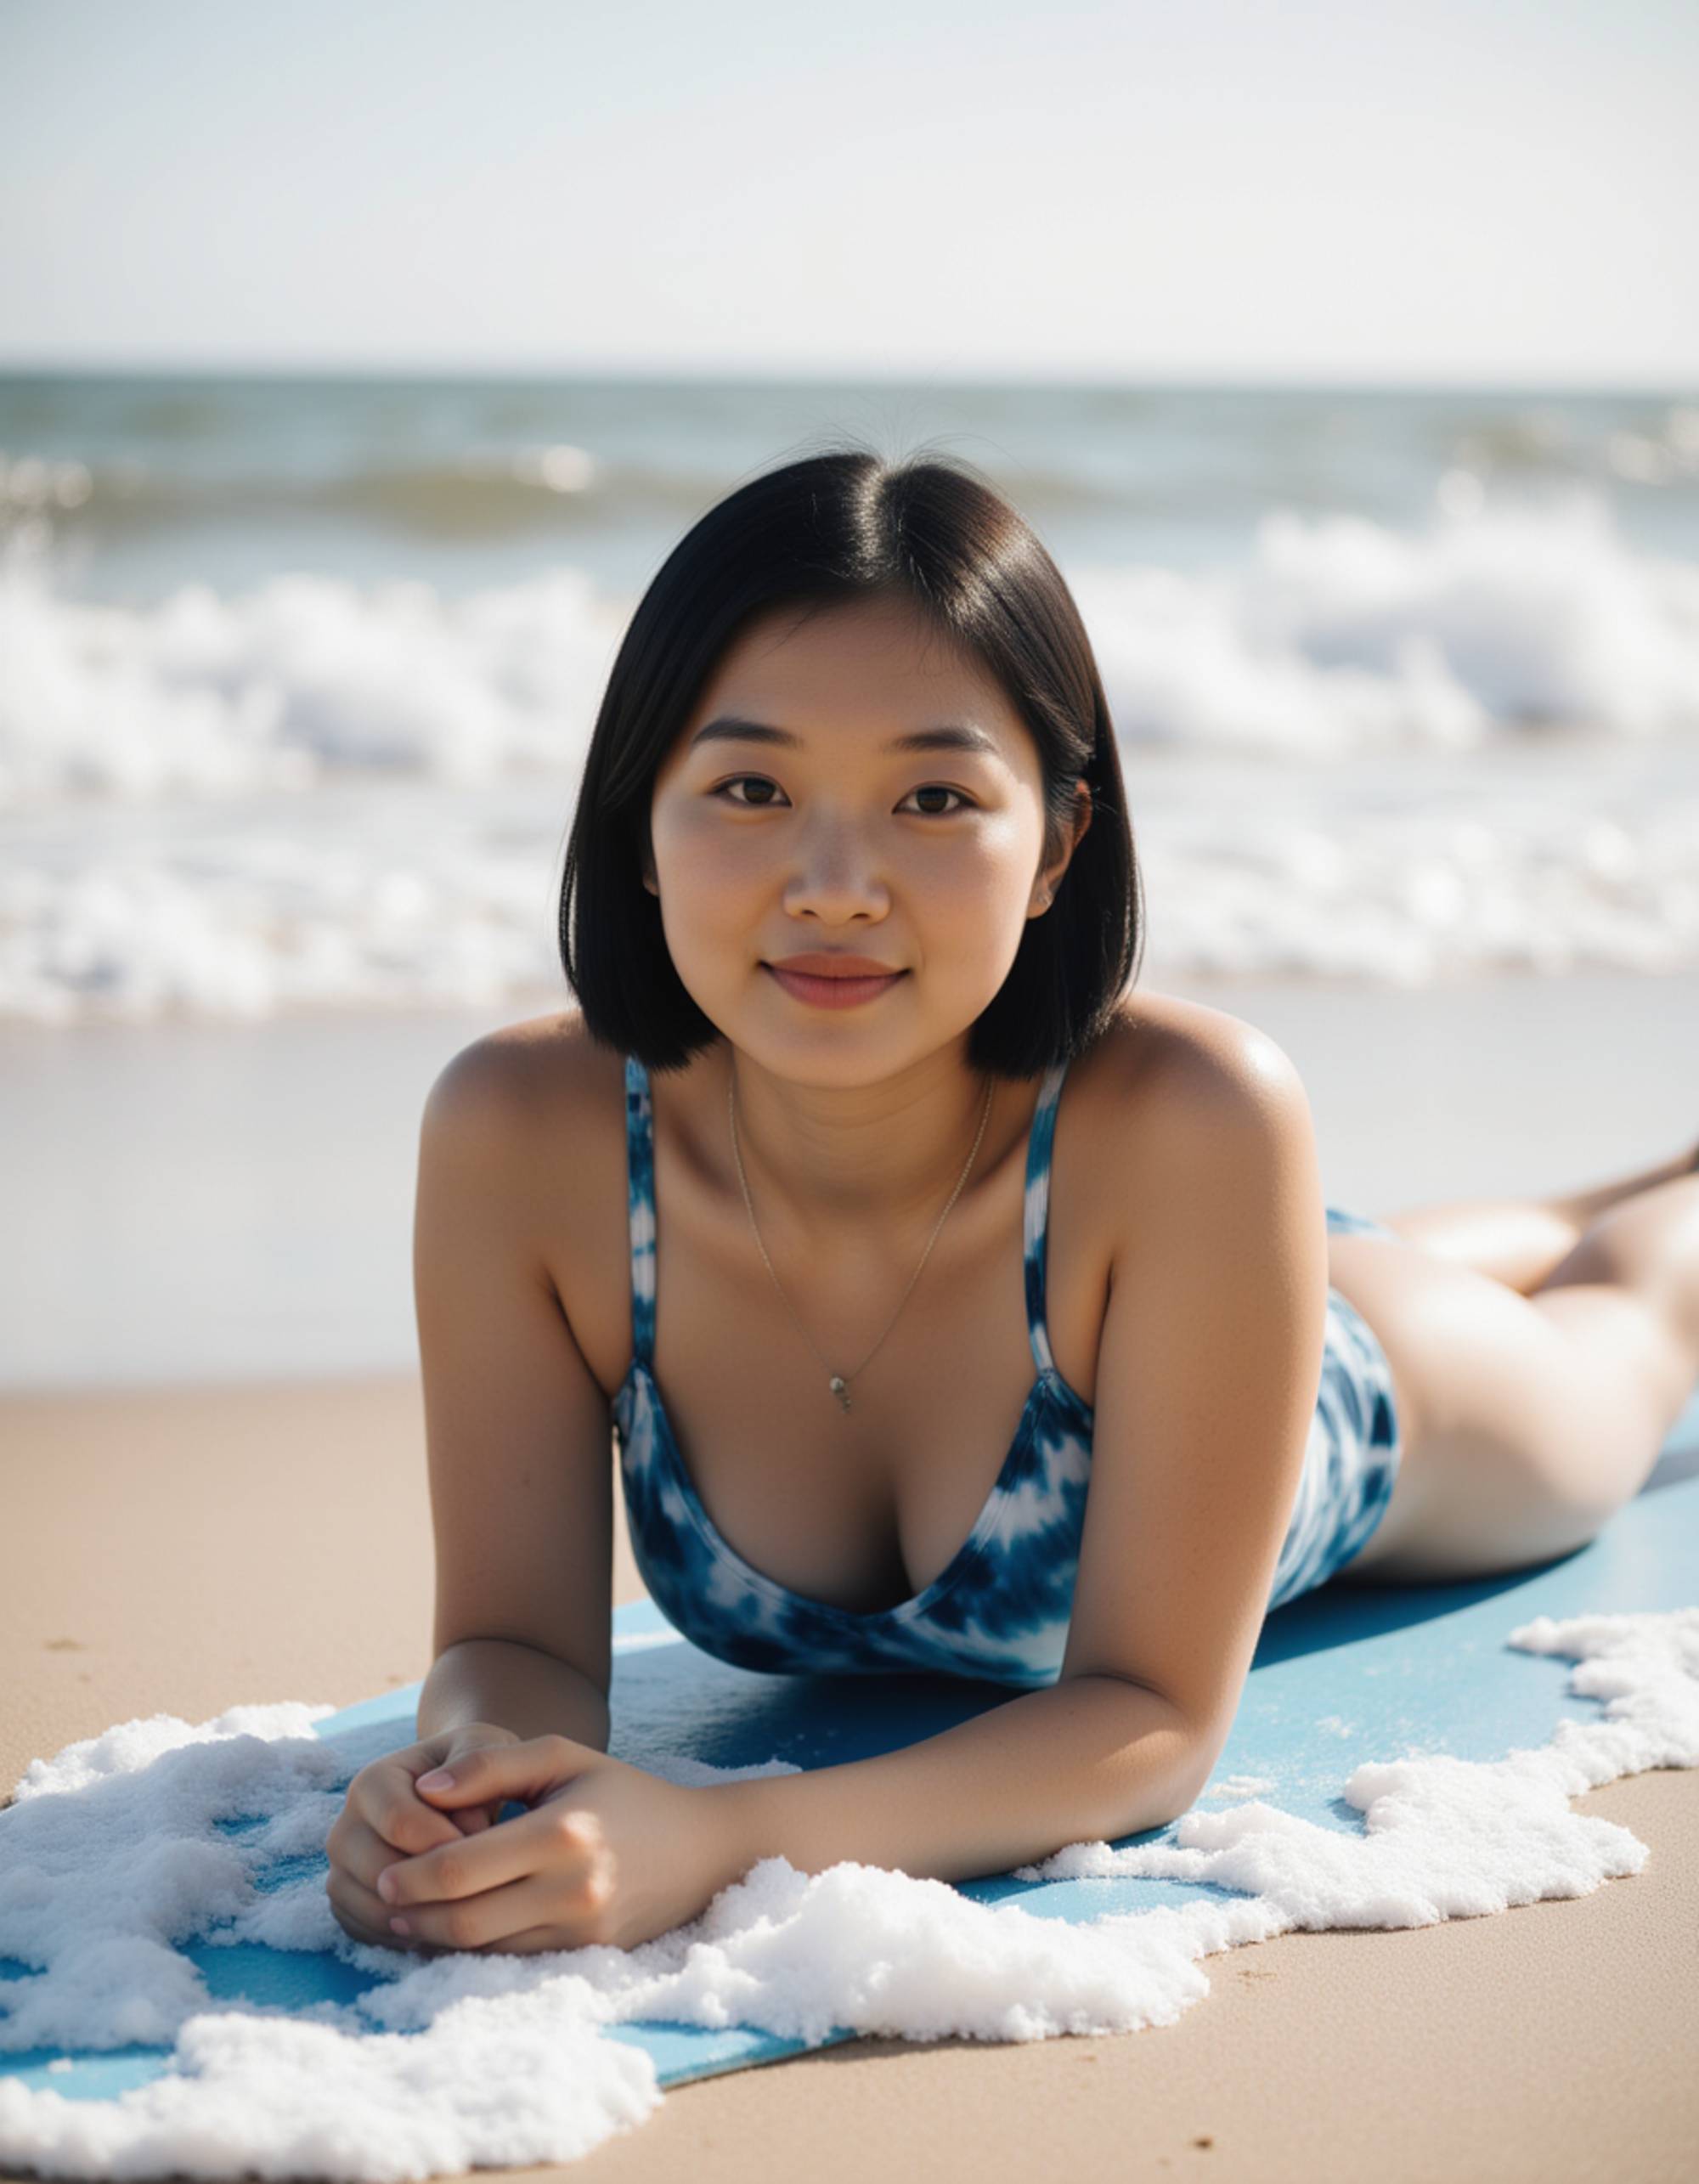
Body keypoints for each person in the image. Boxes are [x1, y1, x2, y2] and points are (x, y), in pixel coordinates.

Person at [325, 445, 1699, 1961]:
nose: (836, 883)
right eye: (751, 787)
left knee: (1624, 1314)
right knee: (1388, 1248)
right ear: (640, 818)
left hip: (1376, 1407)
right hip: (1199, 1282)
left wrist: (718, 1842)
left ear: (1054, 842)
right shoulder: (524, 1137)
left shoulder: (1204, 1113)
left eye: (930, 797)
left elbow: (1155, 1722)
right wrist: (467, 1780)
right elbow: (510, 1643)